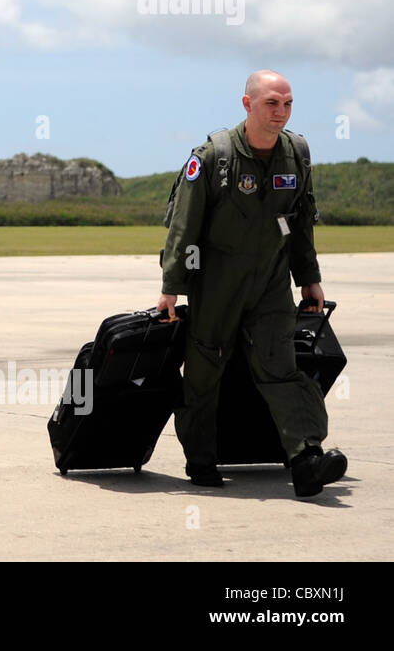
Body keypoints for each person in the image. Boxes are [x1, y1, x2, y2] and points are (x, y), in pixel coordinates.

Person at [158, 70, 346, 497]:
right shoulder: (213, 157)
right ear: (248, 105)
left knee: (283, 369)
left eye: (288, 104)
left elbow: (300, 223)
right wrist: (171, 286)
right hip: (216, 284)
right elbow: (184, 228)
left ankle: (306, 460)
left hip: (270, 285)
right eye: (271, 104)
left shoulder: (297, 153)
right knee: (205, 374)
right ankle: (201, 460)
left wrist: (310, 279)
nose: (281, 112)